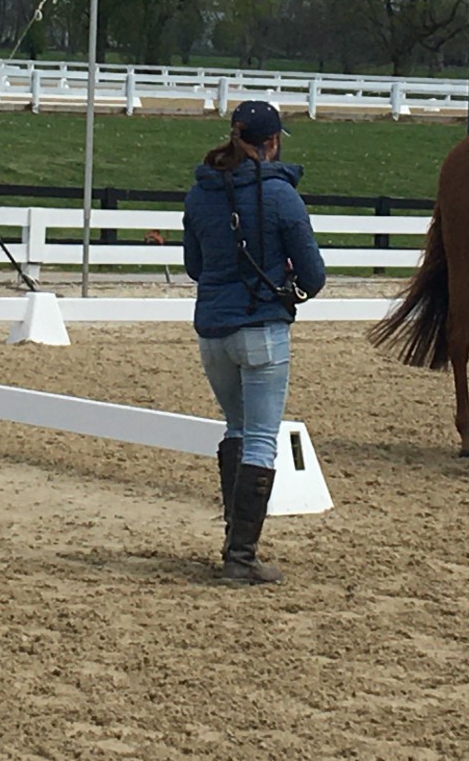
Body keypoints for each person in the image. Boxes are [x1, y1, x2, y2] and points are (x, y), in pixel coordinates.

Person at [182, 99, 326, 585]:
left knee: (236, 429)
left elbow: (194, 267)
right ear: (272, 142)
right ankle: (241, 557)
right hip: (262, 330)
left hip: (213, 335)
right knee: (262, 439)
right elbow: (314, 275)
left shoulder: (200, 193)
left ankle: (233, 541)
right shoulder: (282, 196)